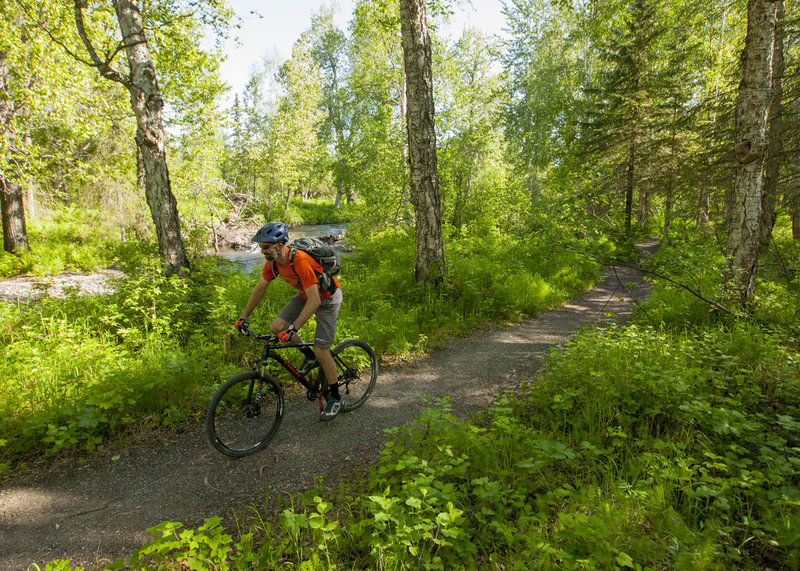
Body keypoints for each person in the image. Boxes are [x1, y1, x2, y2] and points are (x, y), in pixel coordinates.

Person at [235, 221, 344, 421]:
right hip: (306, 295)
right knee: (276, 328)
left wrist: (294, 328)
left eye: (266, 247)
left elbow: (316, 300)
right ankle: (308, 356)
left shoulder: (300, 260)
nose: (263, 252)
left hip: (327, 298)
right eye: (261, 248)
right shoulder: (273, 263)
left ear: (279, 245)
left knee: (322, 350)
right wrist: (243, 317)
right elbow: (260, 288)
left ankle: (336, 397)